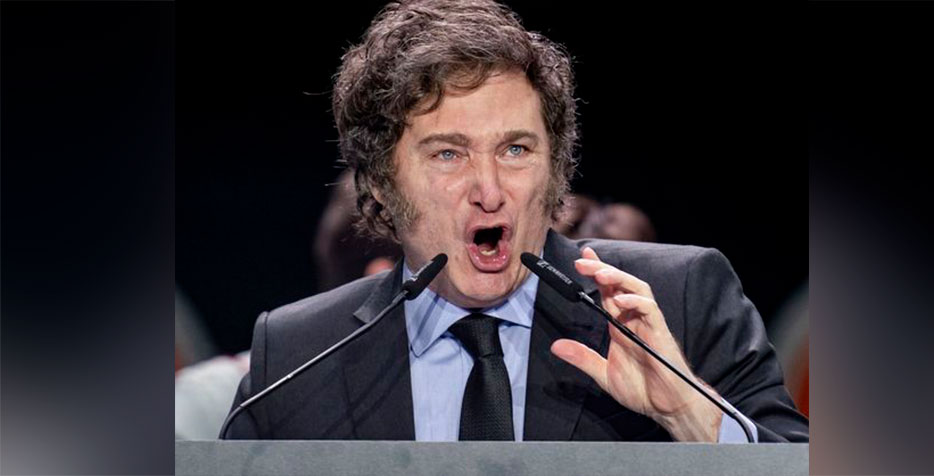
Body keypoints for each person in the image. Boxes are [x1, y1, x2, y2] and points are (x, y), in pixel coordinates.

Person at [225, 0, 808, 443]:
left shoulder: (676, 301)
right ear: (380, 180)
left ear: (554, 169)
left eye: (515, 150)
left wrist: (689, 412)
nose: (489, 190)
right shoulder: (298, 351)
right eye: (448, 154)